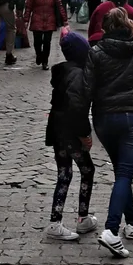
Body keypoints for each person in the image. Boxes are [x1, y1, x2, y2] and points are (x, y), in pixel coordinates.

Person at [88, 8, 133, 257]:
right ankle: (111, 229)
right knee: (125, 173)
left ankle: (131, 222)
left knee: (121, 170)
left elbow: (87, 90)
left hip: (104, 120)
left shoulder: (96, 52)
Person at [44, 31, 99, 241]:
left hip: (58, 128)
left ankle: (57, 221)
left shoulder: (64, 72)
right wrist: (84, 134)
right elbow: (77, 107)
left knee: (65, 173)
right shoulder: (77, 74)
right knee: (86, 169)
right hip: (68, 131)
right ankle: (78, 218)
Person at [23, 0, 67, 69]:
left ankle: (45, 61)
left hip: (50, 19)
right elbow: (28, 7)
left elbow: (60, 6)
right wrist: (26, 19)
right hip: (37, 19)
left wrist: (65, 20)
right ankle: (39, 55)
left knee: (47, 42)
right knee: (37, 42)